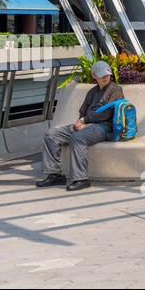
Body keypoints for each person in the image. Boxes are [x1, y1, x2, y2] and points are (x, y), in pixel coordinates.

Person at [36, 59, 124, 191]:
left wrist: (85, 120)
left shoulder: (115, 90)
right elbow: (82, 111)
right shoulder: (92, 92)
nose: (106, 77)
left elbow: (107, 114)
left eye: (107, 74)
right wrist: (80, 122)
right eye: (102, 75)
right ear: (94, 76)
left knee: (77, 138)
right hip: (87, 125)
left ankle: (81, 179)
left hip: (103, 127)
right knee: (51, 134)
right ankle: (54, 174)